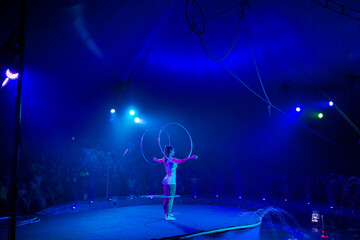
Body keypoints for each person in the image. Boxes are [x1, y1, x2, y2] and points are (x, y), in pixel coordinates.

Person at [153, 146, 198, 220]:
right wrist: (191, 157)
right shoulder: (172, 159)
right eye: (173, 151)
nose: (174, 152)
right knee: (170, 199)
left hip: (166, 179)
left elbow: (158, 160)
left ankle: (166, 214)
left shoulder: (164, 159)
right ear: (170, 152)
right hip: (171, 180)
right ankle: (167, 216)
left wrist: (156, 159)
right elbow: (181, 161)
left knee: (166, 198)